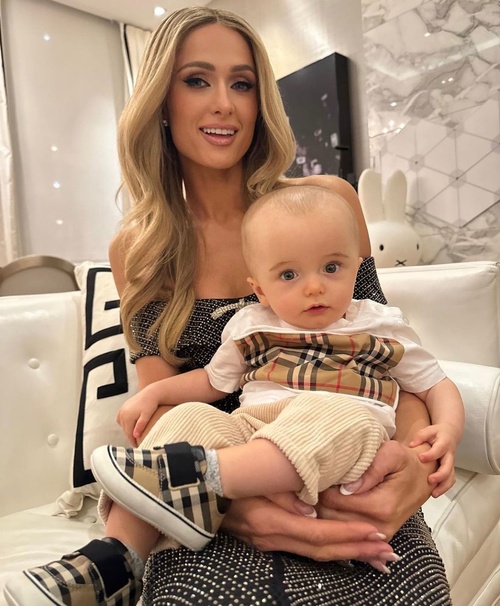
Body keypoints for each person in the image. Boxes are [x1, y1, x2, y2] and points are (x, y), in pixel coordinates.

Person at [3, 7, 454, 606]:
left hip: (349, 468)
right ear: (162, 100)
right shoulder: (138, 249)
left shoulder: (326, 204)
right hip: (210, 502)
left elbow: (386, 355)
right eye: (197, 80)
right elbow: (163, 412)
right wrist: (239, 510)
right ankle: (111, 563)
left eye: (242, 84)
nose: (224, 104)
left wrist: (411, 467)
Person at [88, 185, 464, 556]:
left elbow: (435, 384)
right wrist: (154, 393)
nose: (314, 287)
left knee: (342, 414)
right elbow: (211, 381)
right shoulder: (252, 326)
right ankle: (114, 558)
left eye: (331, 268)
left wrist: (447, 429)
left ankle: (204, 477)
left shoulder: (379, 326)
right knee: (188, 417)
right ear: (261, 291)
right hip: (255, 433)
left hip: (341, 439)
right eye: (288, 276)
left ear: (356, 267)